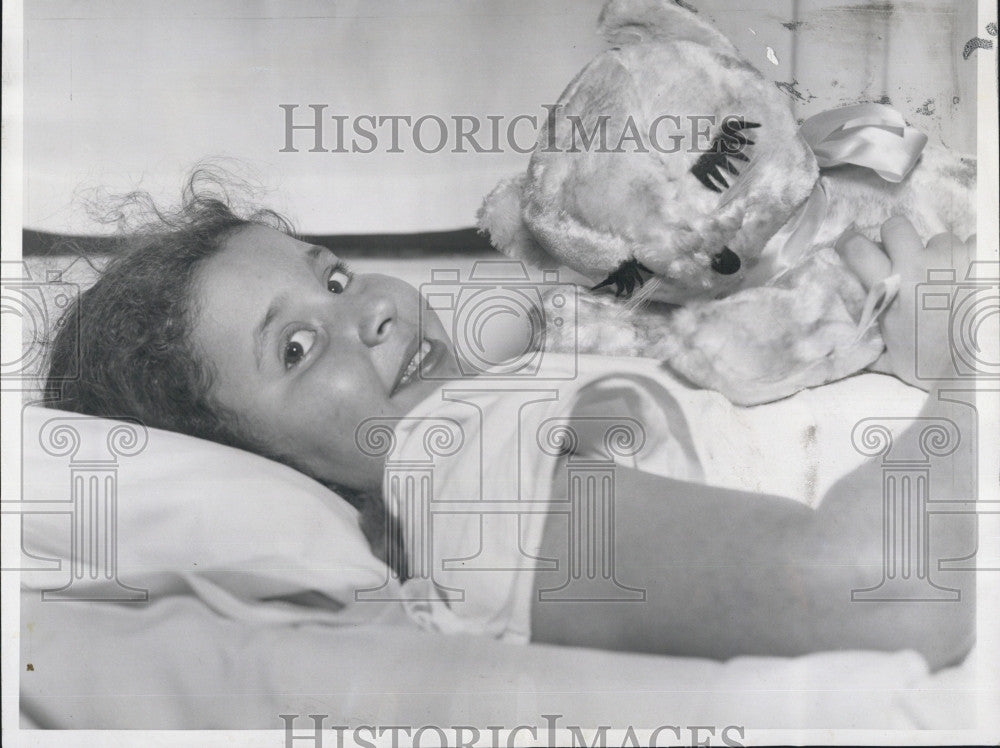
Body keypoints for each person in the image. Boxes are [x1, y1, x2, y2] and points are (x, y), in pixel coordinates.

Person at [44, 181, 977, 670]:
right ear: (262, 469)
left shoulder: (500, 409)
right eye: (293, 349)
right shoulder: (458, 467)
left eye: (330, 277)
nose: (365, 309)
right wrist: (954, 370)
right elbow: (885, 595)